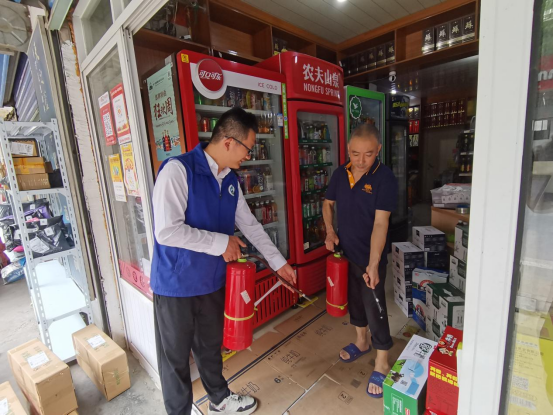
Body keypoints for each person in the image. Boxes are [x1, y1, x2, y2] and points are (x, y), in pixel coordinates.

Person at [151, 107, 296, 415]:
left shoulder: (230, 180)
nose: (249, 155)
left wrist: (278, 263)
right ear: (229, 142)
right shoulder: (178, 171)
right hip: (176, 285)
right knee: (175, 360)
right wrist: (221, 243)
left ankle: (219, 399)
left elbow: (250, 226)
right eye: (248, 148)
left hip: (212, 282)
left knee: (210, 348)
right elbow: (166, 231)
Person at [323, 123, 398, 399]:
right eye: (355, 154)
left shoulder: (384, 178)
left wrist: (374, 263)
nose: (361, 160)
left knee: (374, 306)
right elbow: (328, 203)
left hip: (370, 257)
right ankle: (361, 342)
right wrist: (330, 231)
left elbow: (381, 223)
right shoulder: (340, 174)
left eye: (368, 154)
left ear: (378, 150)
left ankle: (382, 362)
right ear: (348, 150)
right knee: (355, 301)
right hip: (347, 254)